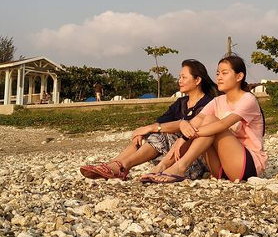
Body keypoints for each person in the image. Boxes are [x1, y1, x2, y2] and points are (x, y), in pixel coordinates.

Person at [80, 59, 218, 181]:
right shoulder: (181, 103)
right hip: (171, 154)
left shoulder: (208, 103)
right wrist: (145, 131)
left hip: (192, 159)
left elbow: (190, 126)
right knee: (149, 135)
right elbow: (161, 121)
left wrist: (153, 128)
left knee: (160, 134)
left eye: (184, 77)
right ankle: (112, 165)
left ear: (197, 80)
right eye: (179, 77)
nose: (179, 81)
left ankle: (122, 167)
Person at [146, 55, 267, 183]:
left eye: (224, 73)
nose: (219, 77)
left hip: (246, 166)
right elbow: (195, 122)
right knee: (200, 122)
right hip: (221, 170)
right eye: (218, 73)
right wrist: (184, 131)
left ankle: (180, 167)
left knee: (210, 120)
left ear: (239, 76)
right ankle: (162, 166)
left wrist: (187, 137)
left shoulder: (248, 99)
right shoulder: (217, 101)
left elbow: (223, 124)